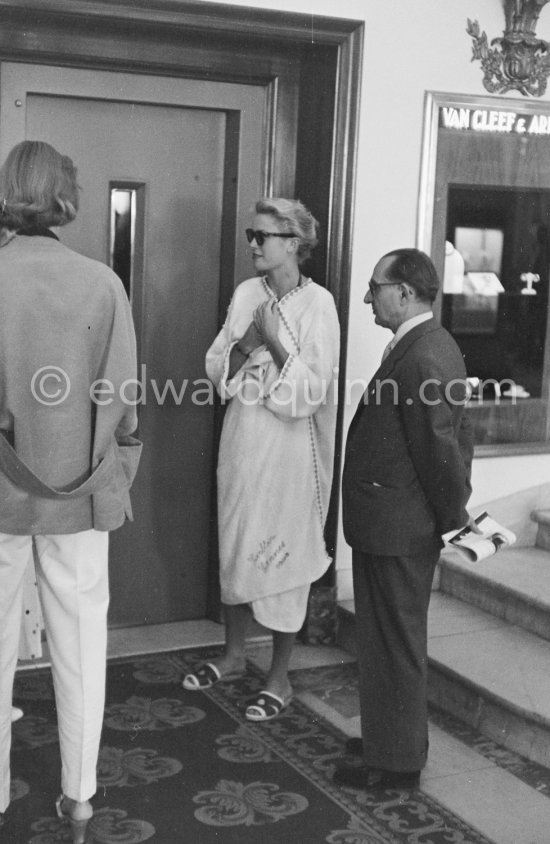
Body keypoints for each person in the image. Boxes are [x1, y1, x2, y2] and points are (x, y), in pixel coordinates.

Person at [0, 141, 141, 842]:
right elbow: (123, 402)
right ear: (66, 196)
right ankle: (80, 799)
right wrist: (108, 478)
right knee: (82, 642)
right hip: (80, 493)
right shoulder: (101, 283)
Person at [183, 197, 339, 720]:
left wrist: (271, 341)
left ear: (293, 242)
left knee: (284, 555)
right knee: (236, 539)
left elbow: (312, 390)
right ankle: (232, 656)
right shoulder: (247, 292)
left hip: (290, 450)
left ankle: (279, 678)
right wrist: (248, 338)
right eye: (252, 234)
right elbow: (218, 368)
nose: (253, 243)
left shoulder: (319, 305)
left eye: (263, 235)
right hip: (243, 437)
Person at [334, 248, 473, 791]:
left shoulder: (425, 354)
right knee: (385, 641)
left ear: (406, 293)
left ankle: (396, 766)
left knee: (395, 644)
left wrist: (454, 519)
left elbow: (443, 451)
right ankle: (389, 742)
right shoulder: (420, 346)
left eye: (375, 287)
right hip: (389, 523)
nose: (368, 297)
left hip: (401, 529)